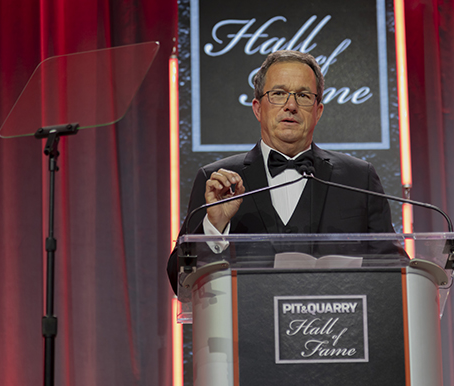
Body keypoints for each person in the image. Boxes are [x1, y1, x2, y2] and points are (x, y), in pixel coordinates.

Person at [167, 50, 408, 294]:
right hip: (247, 319)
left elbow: (395, 273)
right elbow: (180, 280)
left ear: (318, 111)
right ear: (257, 108)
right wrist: (214, 227)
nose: (290, 106)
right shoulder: (216, 182)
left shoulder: (358, 178)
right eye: (278, 94)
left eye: (303, 96)